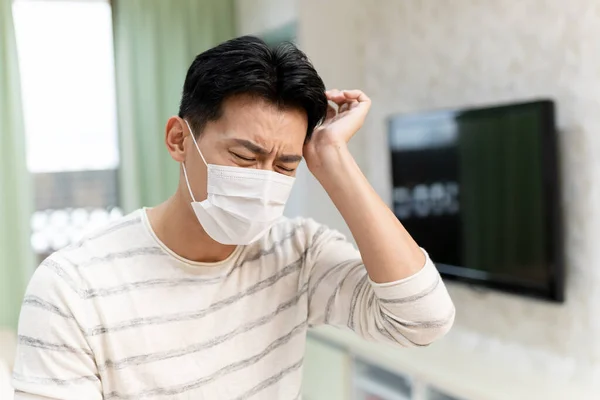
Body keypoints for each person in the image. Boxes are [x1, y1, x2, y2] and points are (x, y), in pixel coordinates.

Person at [12, 36, 455, 400]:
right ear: (179, 140)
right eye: (245, 157)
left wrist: (332, 158)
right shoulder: (72, 288)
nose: (264, 181)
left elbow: (423, 320)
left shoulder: (296, 252)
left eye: (285, 166)